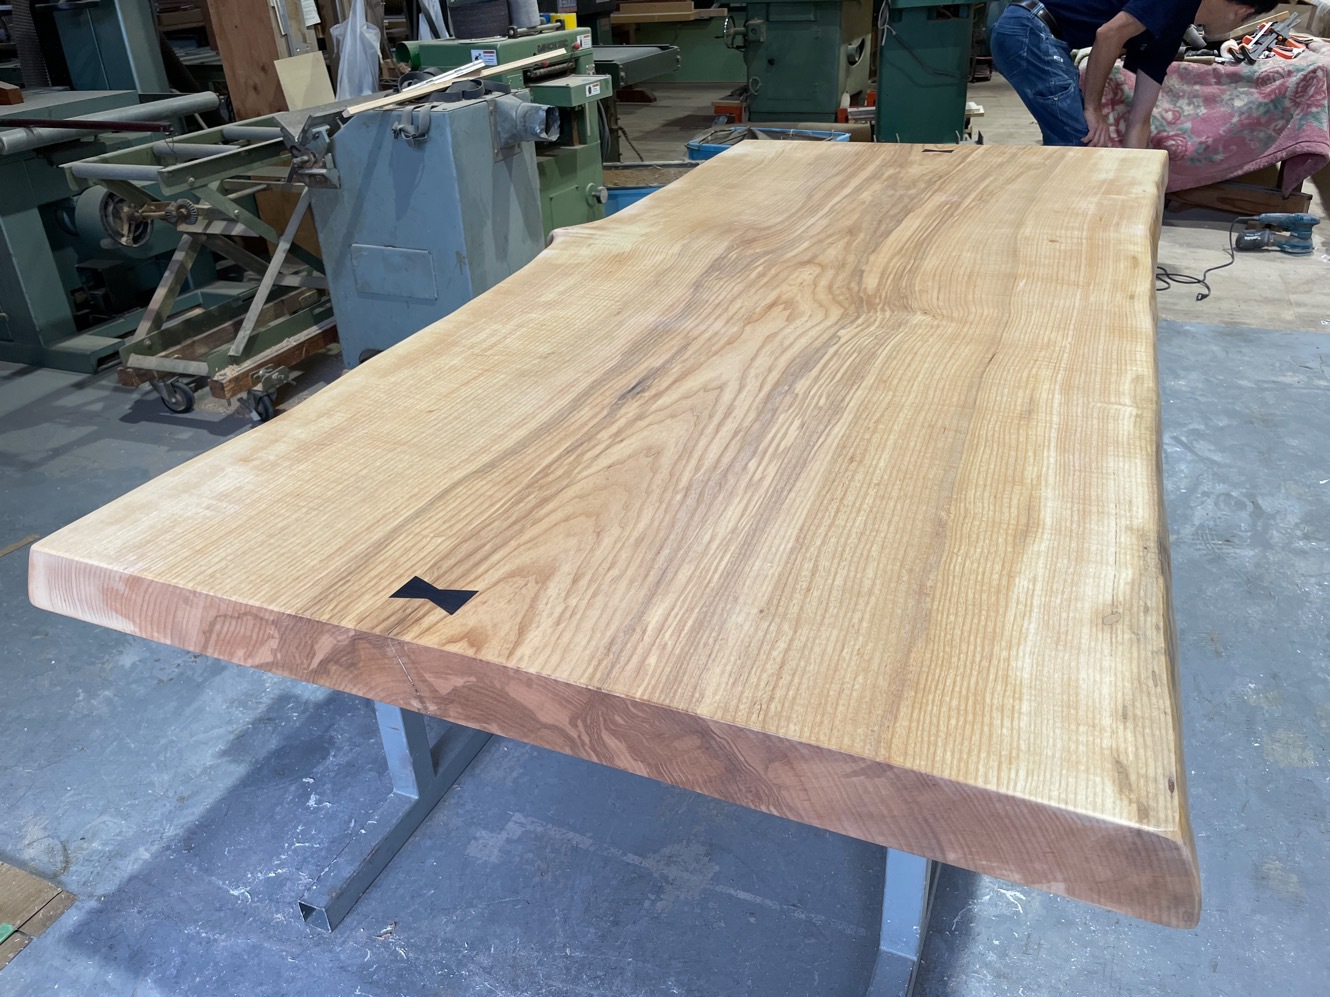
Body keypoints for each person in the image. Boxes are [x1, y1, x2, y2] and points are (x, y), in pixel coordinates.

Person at [990, 0, 1280, 148]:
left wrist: (1135, 181)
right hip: (1027, 29)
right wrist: (1093, 109)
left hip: (1038, 35)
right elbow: (1108, 35)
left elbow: (1139, 121)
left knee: (1078, 142)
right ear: (1243, 10)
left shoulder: (1171, 30)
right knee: (1078, 141)